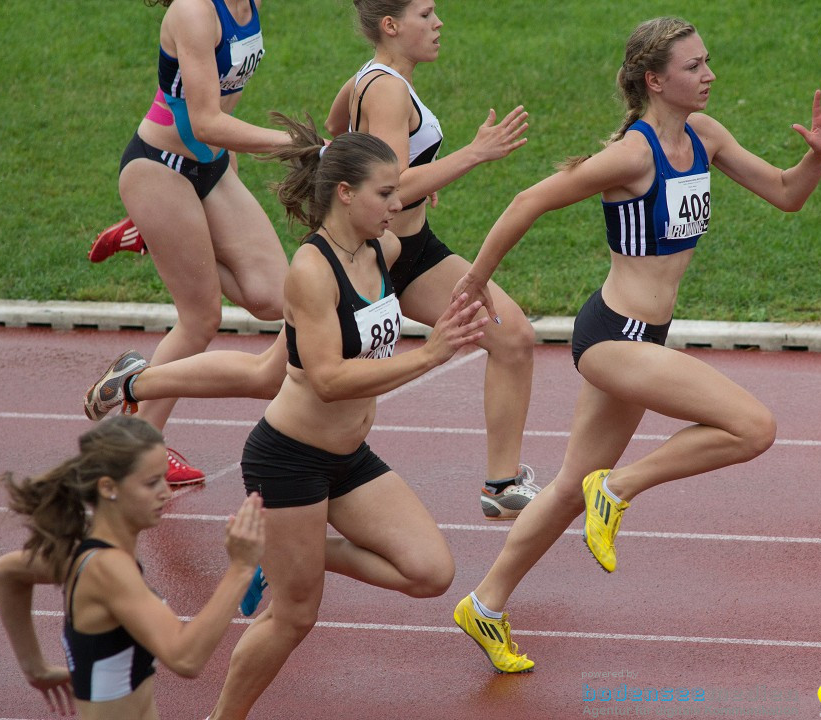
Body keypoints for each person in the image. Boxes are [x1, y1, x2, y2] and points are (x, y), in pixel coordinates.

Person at [450, 16, 821, 672]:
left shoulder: (705, 135)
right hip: (611, 337)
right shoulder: (633, 155)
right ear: (654, 80)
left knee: (567, 485)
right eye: (694, 67)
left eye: (707, 62)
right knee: (753, 427)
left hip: (647, 337)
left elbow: (785, 195)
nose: (709, 76)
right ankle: (621, 489)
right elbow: (528, 200)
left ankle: (484, 606)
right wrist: (475, 280)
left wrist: (818, 155)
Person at [202, 119, 487, 719]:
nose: (397, 203)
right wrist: (432, 355)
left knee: (431, 572)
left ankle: (287, 551)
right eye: (386, 193)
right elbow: (327, 380)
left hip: (348, 459)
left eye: (397, 191)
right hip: (291, 459)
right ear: (346, 193)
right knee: (295, 616)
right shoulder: (310, 271)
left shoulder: (380, 249)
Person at [322, 0, 540, 520]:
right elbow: (390, 182)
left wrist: (423, 174)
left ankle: (502, 484)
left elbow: (337, 139)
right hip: (366, 259)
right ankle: (140, 383)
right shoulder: (389, 89)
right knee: (293, 384)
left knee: (511, 336)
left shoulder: (370, 81)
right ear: (392, 25)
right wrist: (472, 153)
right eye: (426, 14)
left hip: (413, 253)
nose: (438, 23)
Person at [97, 0, 298, 486]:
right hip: (158, 167)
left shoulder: (247, 5)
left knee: (275, 296)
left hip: (209, 165)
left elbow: (221, 100)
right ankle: (139, 449)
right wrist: (299, 146)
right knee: (200, 317)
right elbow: (205, 119)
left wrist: (229, 158)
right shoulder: (193, 11)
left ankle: (155, 235)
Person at [0, 416, 265, 719]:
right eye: (151, 483)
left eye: (164, 478)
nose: (166, 492)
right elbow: (186, 658)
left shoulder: (83, 556)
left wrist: (36, 668)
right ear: (108, 487)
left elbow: (6, 572)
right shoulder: (108, 571)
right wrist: (240, 568)